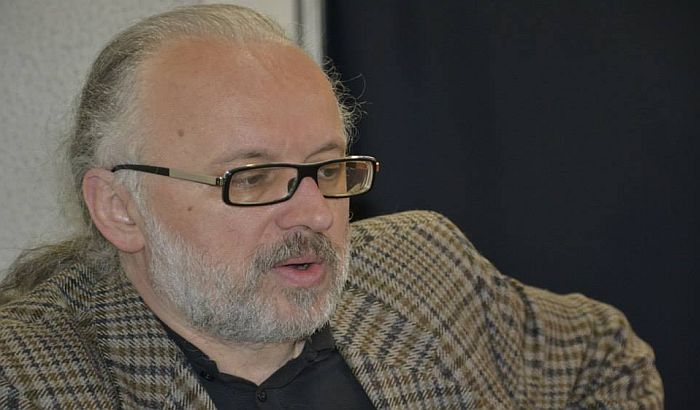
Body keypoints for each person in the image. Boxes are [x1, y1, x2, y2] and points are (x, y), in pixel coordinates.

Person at [0, 4, 662, 409]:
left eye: (327, 167)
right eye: (254, 178)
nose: (317, 215)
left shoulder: (418, 270)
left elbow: (605, 359)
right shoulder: (28, 379)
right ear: (119, 209)